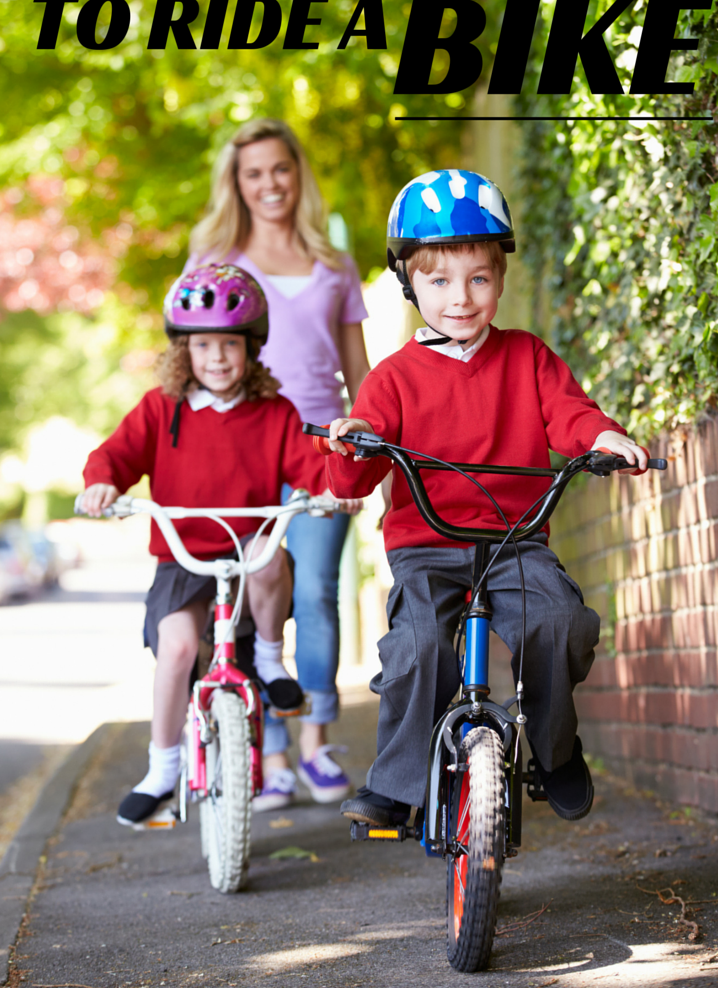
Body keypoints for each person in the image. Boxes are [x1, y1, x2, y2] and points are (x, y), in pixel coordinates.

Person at [324, 169, 649, 826]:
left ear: (500, 278)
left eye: (478, 277)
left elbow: (569, 414)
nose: (460, 297)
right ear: (407, 284)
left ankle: (554, 753)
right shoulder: (390, 380)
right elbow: (349, 482)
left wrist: (603, 436)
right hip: (425, 546)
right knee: (414, 646)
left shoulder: (526, 357)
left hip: (514, 541)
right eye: (438, 280)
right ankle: (396, 785)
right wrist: (354, 441)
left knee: (558, 622)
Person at [80, 264, 332, 826]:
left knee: (269, 554)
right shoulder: (159, 409)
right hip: (182, 558)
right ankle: (162, 767)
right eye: (203, 345)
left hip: (246, 554)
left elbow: (308, 466)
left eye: (230, 344)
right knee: (175, 651)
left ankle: (268, 659)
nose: (217, 358)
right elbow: (116, 455)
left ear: (251, 347)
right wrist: (102, 482)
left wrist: (330, 491)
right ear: (183, 350)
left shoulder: (274, 413)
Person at [187, 118, 370, 810]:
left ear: (299, 174)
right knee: (254, 595)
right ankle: (267, 752)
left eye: (280, 170)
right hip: (244, 447)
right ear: (236, 183)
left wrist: (363, 448)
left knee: (317, 590)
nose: (269, 184)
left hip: (322, 446)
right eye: (253, 173)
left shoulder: (332, 261)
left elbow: (360, 371)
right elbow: (191, 365)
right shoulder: (213, 258)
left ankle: (316, 744)